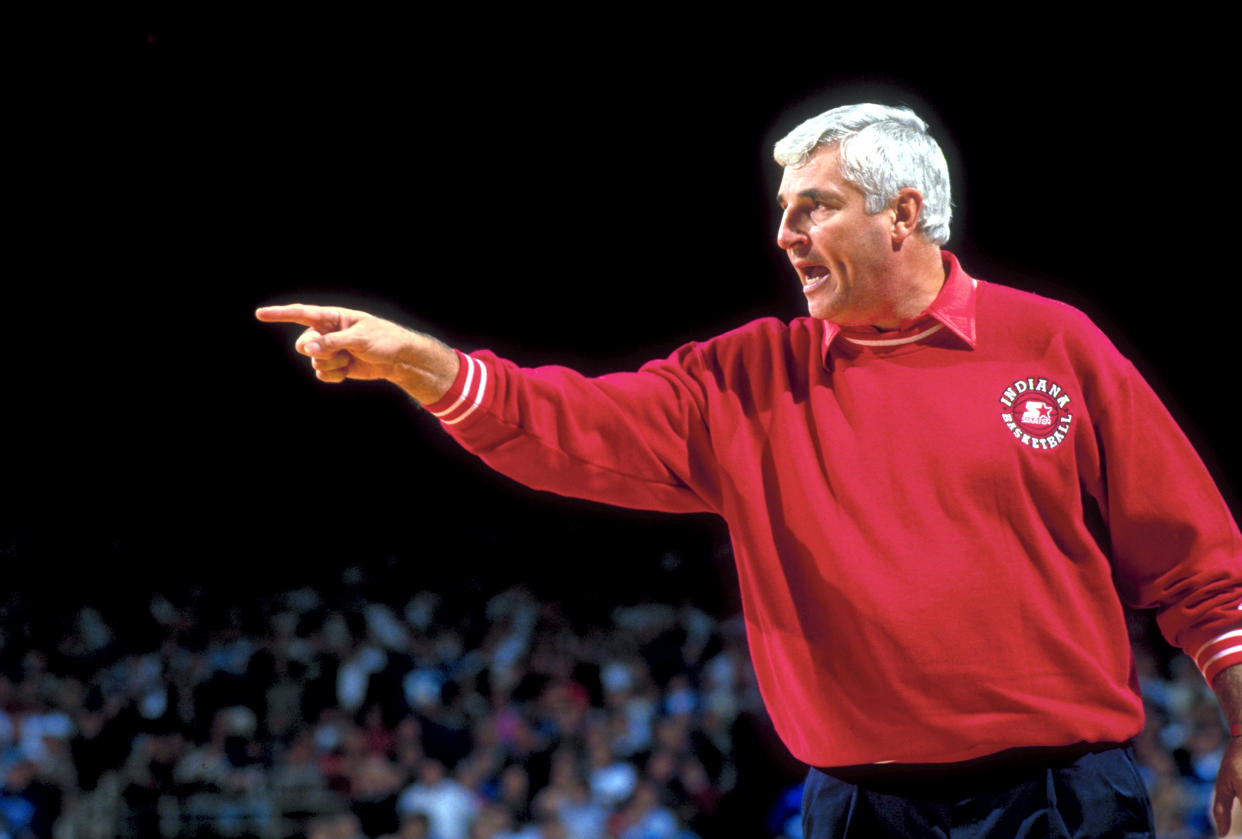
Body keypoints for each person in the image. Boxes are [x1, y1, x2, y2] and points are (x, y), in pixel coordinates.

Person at [257, 103, 1242, 838]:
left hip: (1063, 801)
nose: (785, 235)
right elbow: (569, 424)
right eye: (784, 211)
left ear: (904, 214)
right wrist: (426, 366)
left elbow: (1198, 560)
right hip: (859, 807)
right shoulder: (749, 377)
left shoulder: (1053, 343)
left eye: (815, 208)